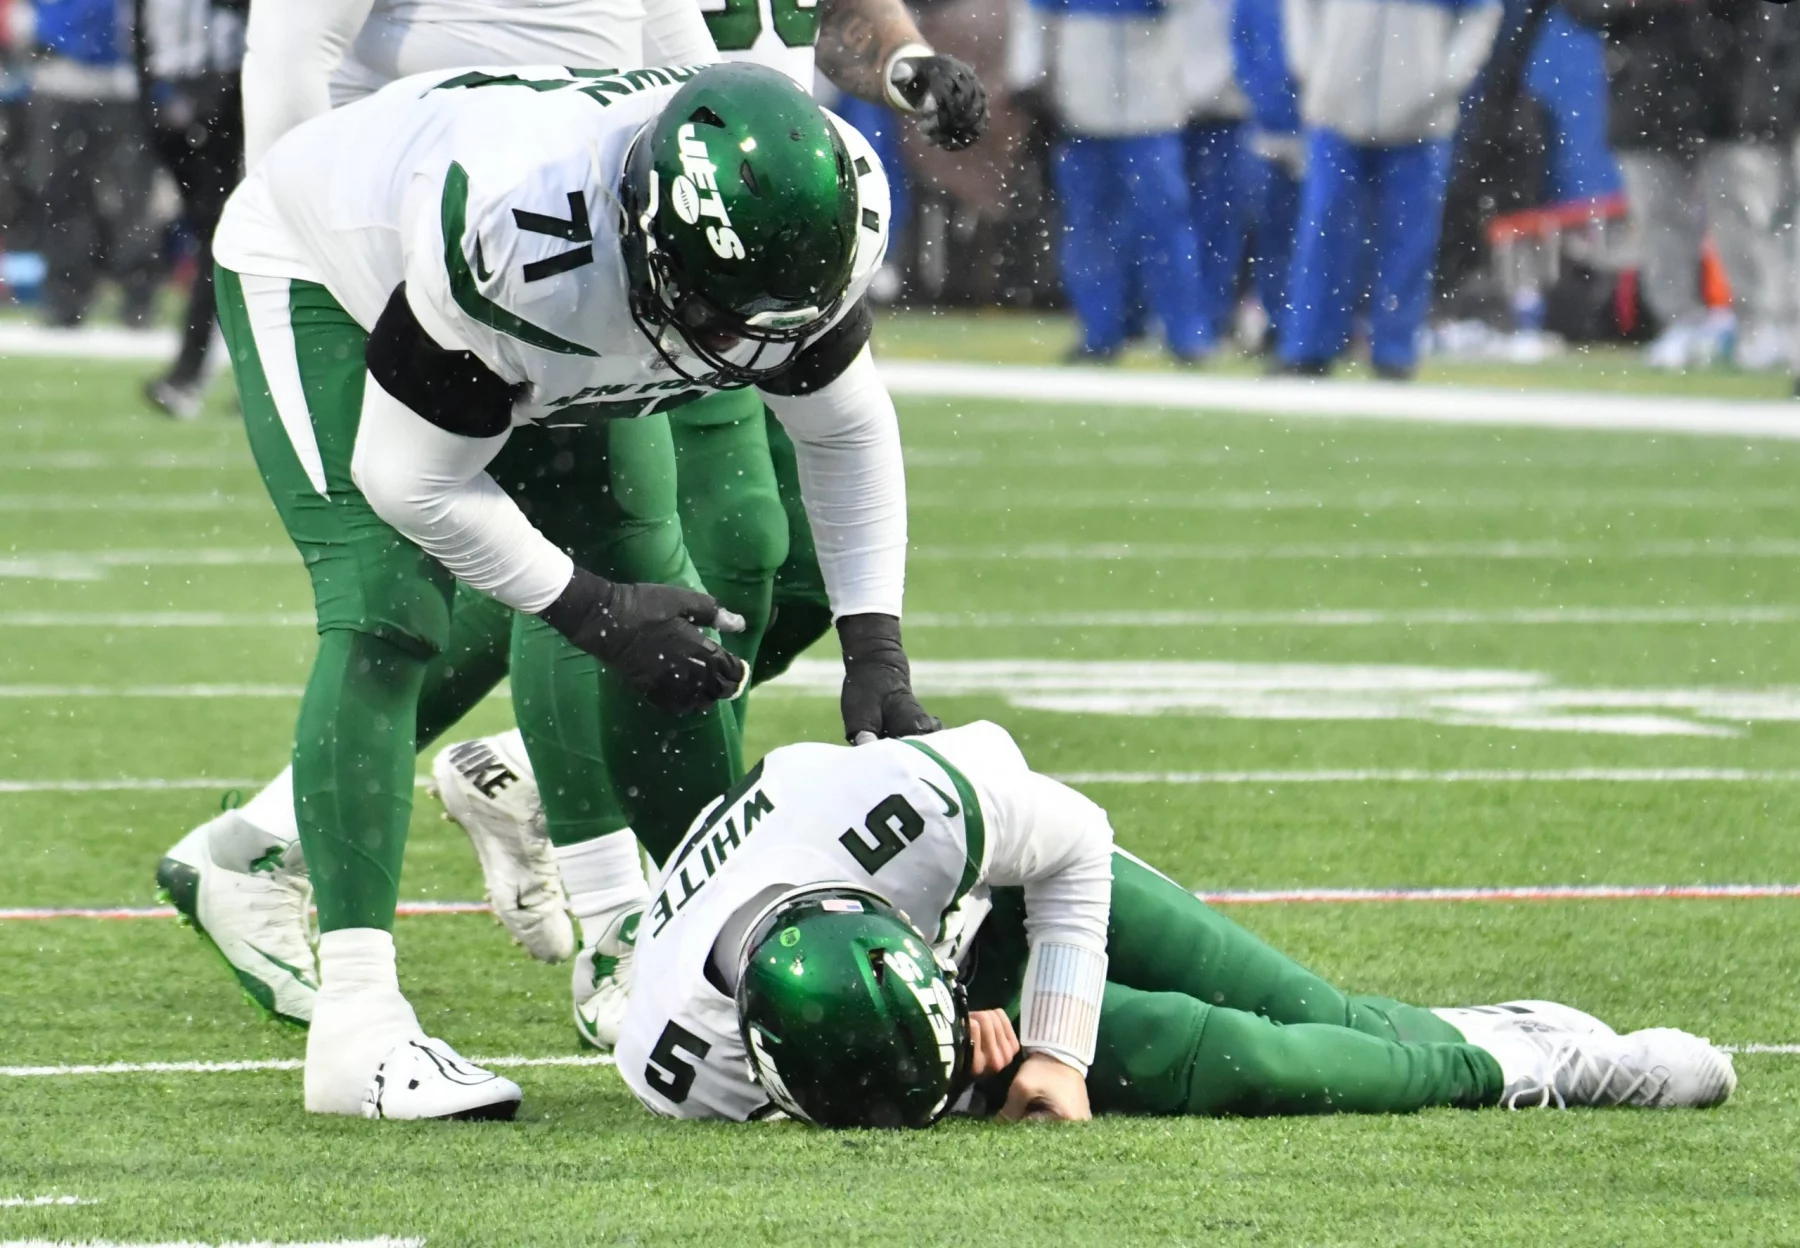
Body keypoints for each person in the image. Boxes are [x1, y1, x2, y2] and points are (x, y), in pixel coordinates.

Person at [156, 0, 985, 1048]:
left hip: (654, 222)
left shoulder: (829, 207)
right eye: (726, 326)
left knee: (675, 566)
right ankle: (377, 999)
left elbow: (848, 426)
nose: (737, 349)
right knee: (388, 604)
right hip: (354, 253)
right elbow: (411, 481)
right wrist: (588, 611)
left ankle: (691, 926)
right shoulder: (522, 246)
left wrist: (880, 649)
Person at [619, 719, 1737, 1125]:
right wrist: (955, 1067)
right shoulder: (678, 1061)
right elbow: (840, 1084)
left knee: (1310, 1008)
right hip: (926, 997)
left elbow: (1074, 843)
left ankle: (1501, 1029)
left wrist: (1052, 1048)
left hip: (1006, 901)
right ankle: (1533, 1070)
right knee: (1259, 1063)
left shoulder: (904, 806)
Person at [1563, 0, 1800, 373]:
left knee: (1744, 213)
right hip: (1644, 85)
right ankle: (1682, 322)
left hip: (1730, 86)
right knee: (1659, 216)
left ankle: (1766, 324)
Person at [1276, 0, 1501, 378]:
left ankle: (1394, 352)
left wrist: (1445, 80)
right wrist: (1312, 66)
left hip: (1421, 120)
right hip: (1336, 110)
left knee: (1410, 238)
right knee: (1324, 228)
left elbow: (1480, 14)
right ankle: (1308, 348)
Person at [1007, 0, 1210, 363]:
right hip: (1080, 111)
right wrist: (1028, 82)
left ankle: (1185, 335)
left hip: (1151, 112)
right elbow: (1034, 19)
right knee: (1089, 229)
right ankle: (1100, 334)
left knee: (1163, 222)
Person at [135, 0, 245, 418]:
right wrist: (152, 95)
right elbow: (140, 32)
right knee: (213, 241)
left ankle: (193, 373)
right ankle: (205, 373)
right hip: (171, 92)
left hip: (223, 90)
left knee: (225, 241)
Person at [27, 0, 161, 327]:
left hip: (119, 79)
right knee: (62, 194)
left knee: (132, 197)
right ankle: (66, 296)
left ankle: (136, 297)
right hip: (62, 76)